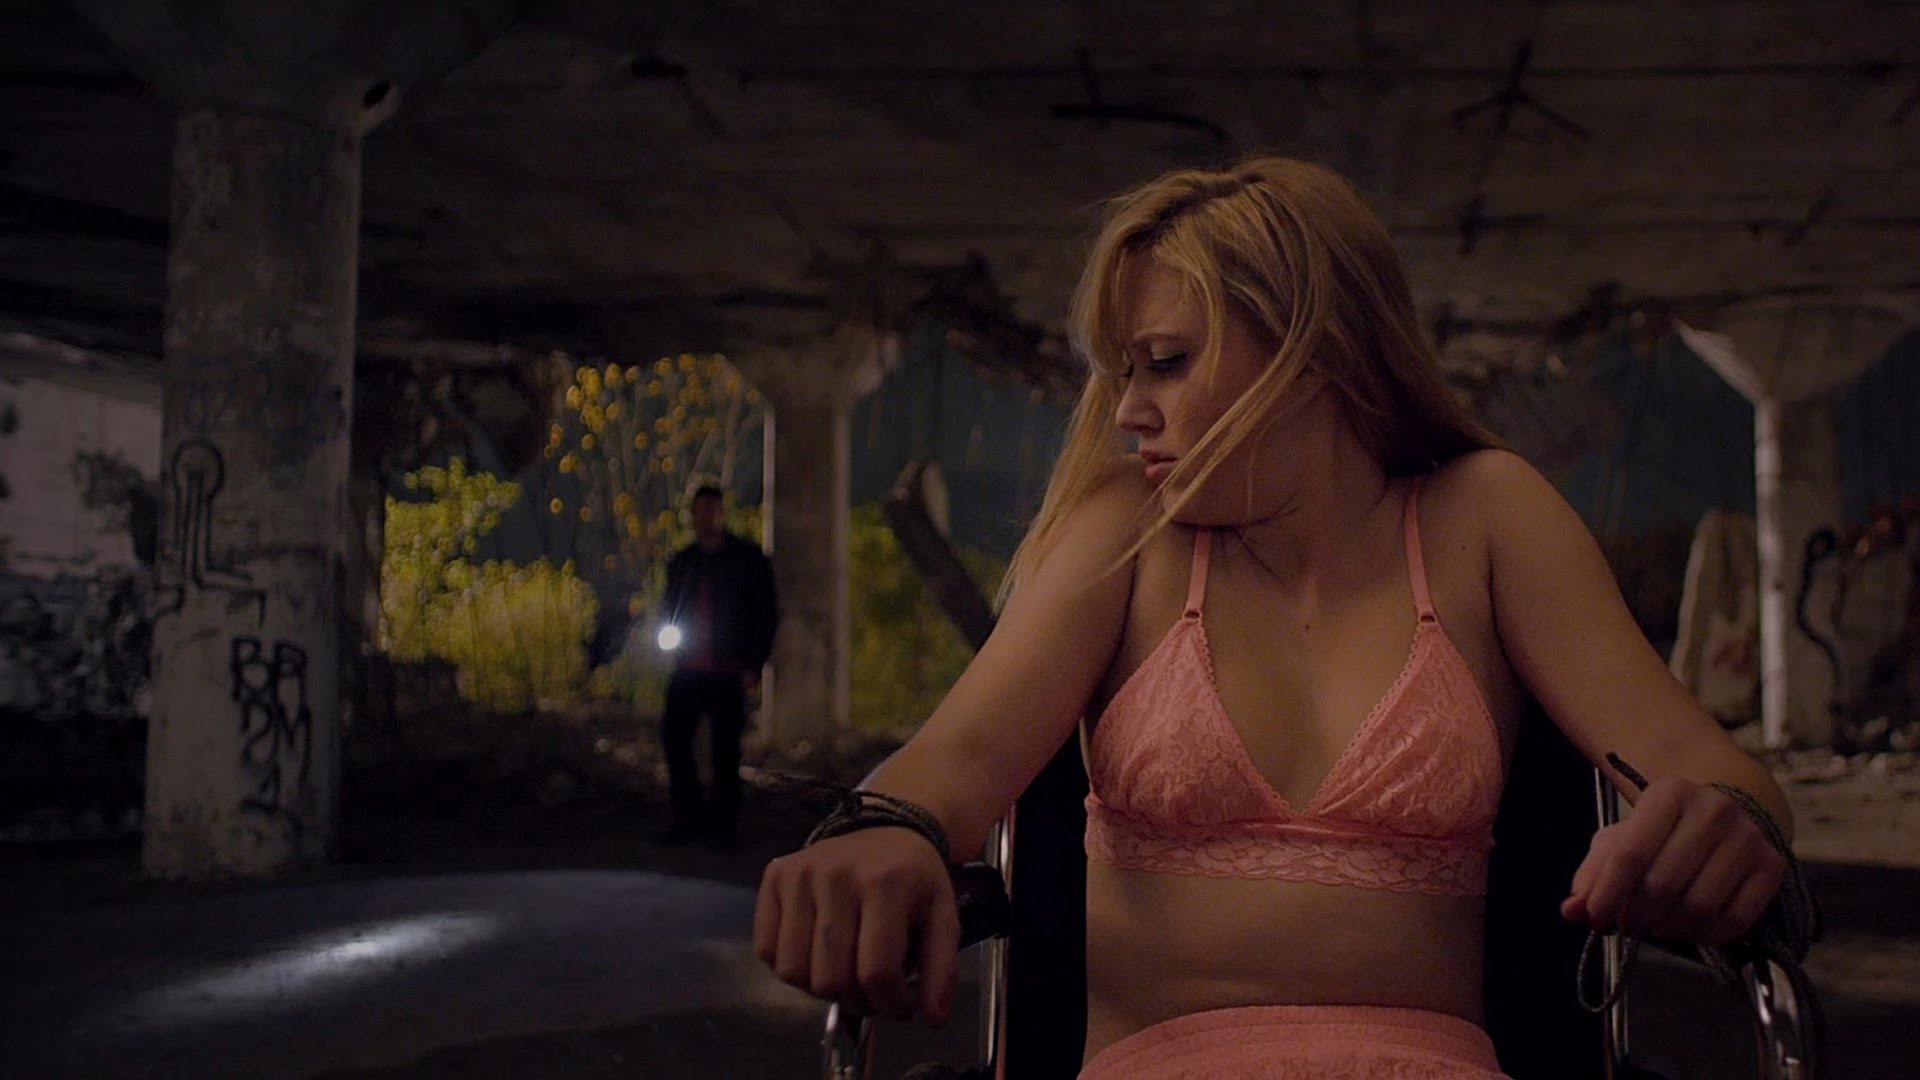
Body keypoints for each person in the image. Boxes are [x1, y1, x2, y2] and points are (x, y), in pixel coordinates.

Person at [754, 158, 1794, 1078]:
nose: (1128, 411)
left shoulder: (1486, 517)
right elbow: (956, 757)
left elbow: (1706, 765)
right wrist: (886, 830)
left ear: (1313, 348)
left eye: (1164, 361)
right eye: (1123, 372)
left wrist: (1729, 820)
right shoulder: (1125, 533)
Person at [656, 484, 777, 850]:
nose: (706, 517)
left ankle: (723, 828)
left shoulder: (747, 559)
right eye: (700, 510)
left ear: (722, 513)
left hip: (728, 669)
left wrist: (753, 664)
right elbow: (669, 607)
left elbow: (765, 615)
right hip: (689, 668)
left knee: (726, 750)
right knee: (675, 738)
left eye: (712, 509)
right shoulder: (684, 561)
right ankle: (688, 819)